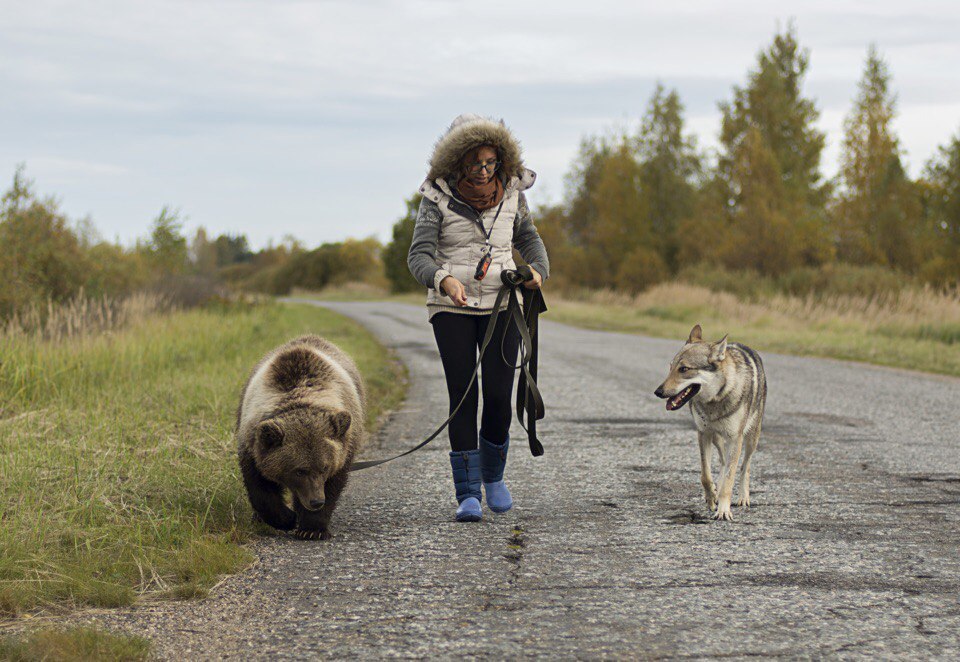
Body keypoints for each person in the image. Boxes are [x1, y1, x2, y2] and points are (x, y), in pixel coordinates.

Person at [407, 114, 550, 522]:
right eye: (475, 164)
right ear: (458, 164)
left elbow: (529, 239)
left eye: (490, 162)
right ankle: (468, 493)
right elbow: (418, 256)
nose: (484, 171)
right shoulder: (436, 198)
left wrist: (538, 269)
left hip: (504, 304)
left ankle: (494, 478)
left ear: (500, 159)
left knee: (500, 397)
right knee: (463, 396)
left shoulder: (512, 194)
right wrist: (443, 279)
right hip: (453, 306)